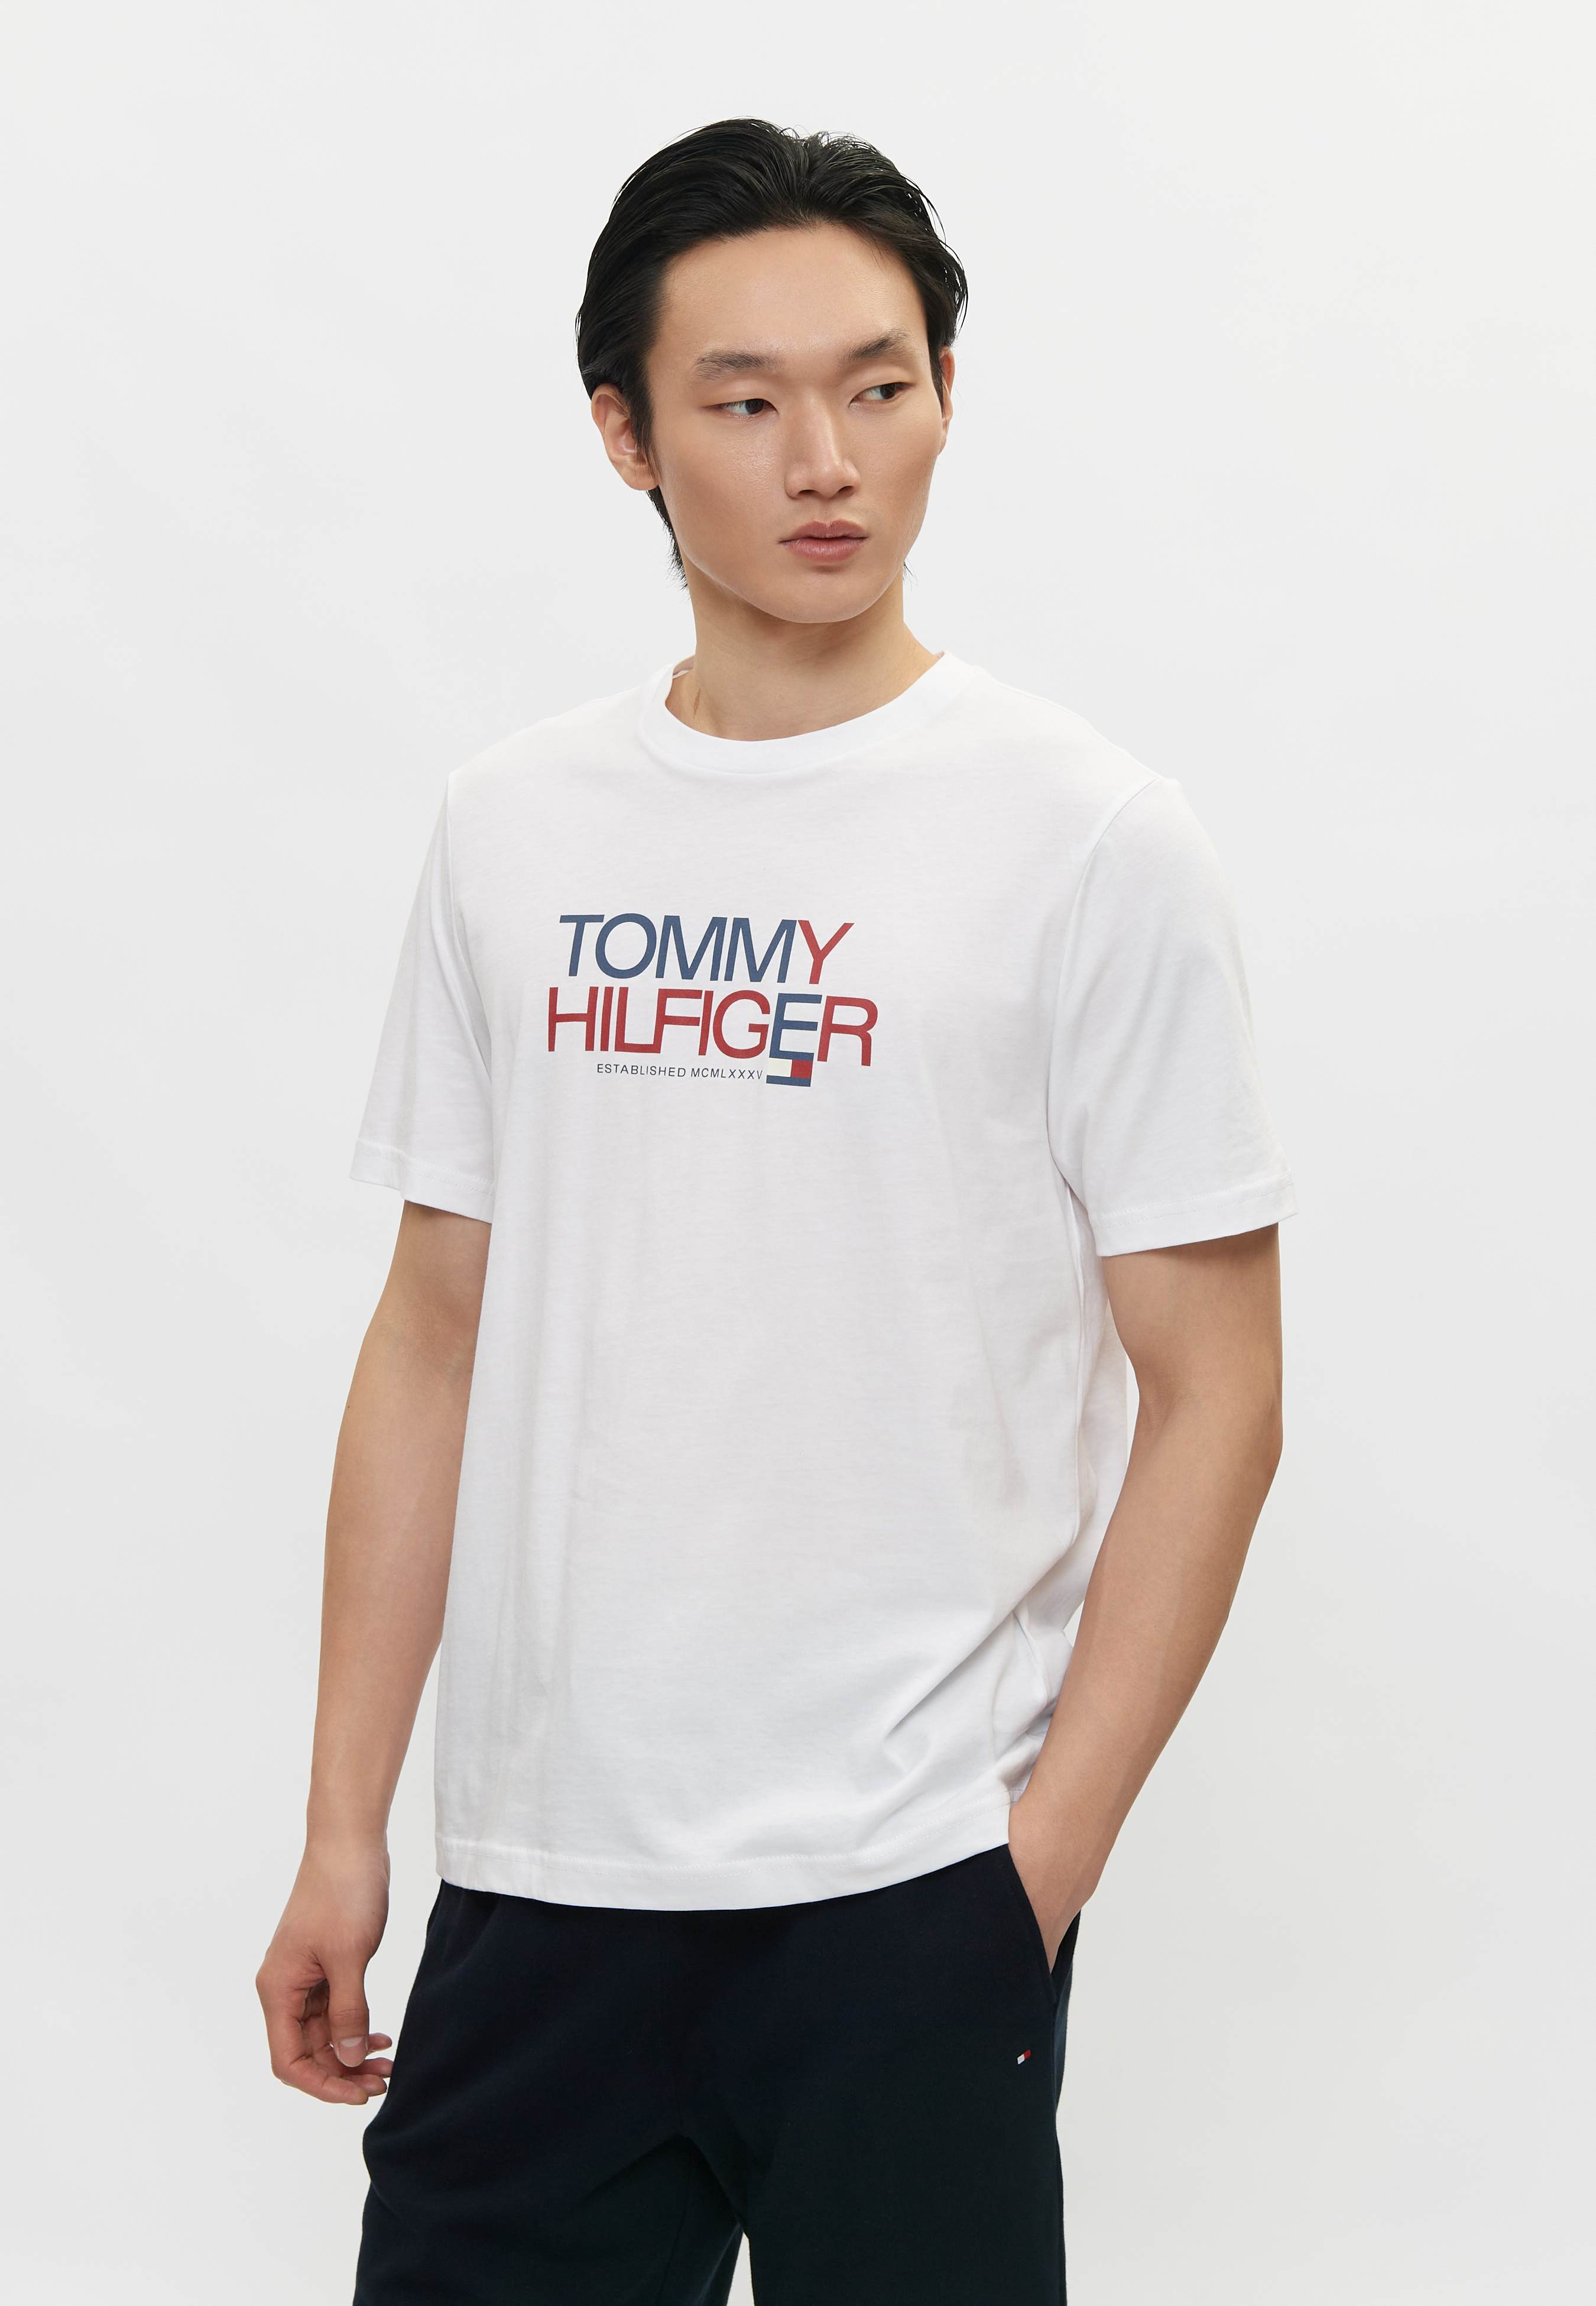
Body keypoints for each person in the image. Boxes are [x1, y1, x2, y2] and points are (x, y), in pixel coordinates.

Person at [256, 117, 1297, 2304]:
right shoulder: (511, 824)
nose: (826, 460)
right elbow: (432, 1332)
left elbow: (1216, 1390)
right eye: (743, 402)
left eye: (879, 385)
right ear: (624, 433)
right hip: (541, 1881)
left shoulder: (1088, 836)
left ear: (943, 394)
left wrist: (1033, 1870)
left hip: (911, 1883)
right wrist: (349, 1821)